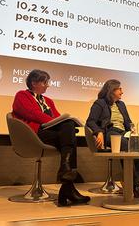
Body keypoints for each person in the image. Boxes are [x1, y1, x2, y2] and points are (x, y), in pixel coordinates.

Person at [12, 69, 90, 206]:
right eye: (44, 82)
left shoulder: (48, 100)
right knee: (68, 130)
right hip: (34, 134)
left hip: (50, 133)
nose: (47, 85)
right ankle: (68, 186)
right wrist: (53, 122)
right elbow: (32, 114)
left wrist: (64, 122)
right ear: (34, 83)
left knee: (69, 127)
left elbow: (58, 117)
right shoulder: (22, 95)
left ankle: (66, 178)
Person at [86, 79, 139, 198]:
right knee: (125, 145)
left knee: (138, 145)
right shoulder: (100, 103)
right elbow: (91, 121)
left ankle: (128, 181)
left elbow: (128, 122)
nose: (122, 92)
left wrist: (133, 130)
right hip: (110, 132)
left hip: (123, 132)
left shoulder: (121, 104)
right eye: (120, 89)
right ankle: (135, 185)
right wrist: (98, 132)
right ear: (112, 90)